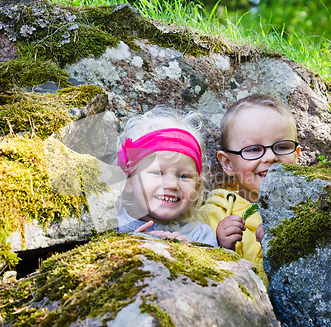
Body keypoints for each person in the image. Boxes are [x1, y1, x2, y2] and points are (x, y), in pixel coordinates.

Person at [200, 94, 301, 288]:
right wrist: (221, 247)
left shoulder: (307, 212)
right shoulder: (217, 212)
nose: (271, 157)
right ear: (228, 163)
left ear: (296, 155)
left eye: (281, 146)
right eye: (254, 149)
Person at [116, 106, 218, 247]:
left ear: (197, 186)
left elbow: (214, 267)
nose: (172, 184)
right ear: (127, 181)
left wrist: (189, 253)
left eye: (183, 176)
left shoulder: (200, 235)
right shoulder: (110, 226)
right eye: (158, 173)